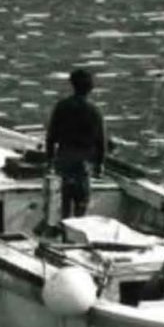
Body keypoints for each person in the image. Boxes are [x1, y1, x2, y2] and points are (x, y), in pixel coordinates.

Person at [44, 67, 108, 222]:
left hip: (64, 159)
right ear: (90, 88)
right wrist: (99, 165)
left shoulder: (62, 106)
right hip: (83, 164)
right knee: (81, 204)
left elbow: (51, 137)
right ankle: (77, 234)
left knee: (64, 203)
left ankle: (64, 230)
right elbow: (101, 142)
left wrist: (49, 161)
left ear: (72, 84)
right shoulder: (94, 111)